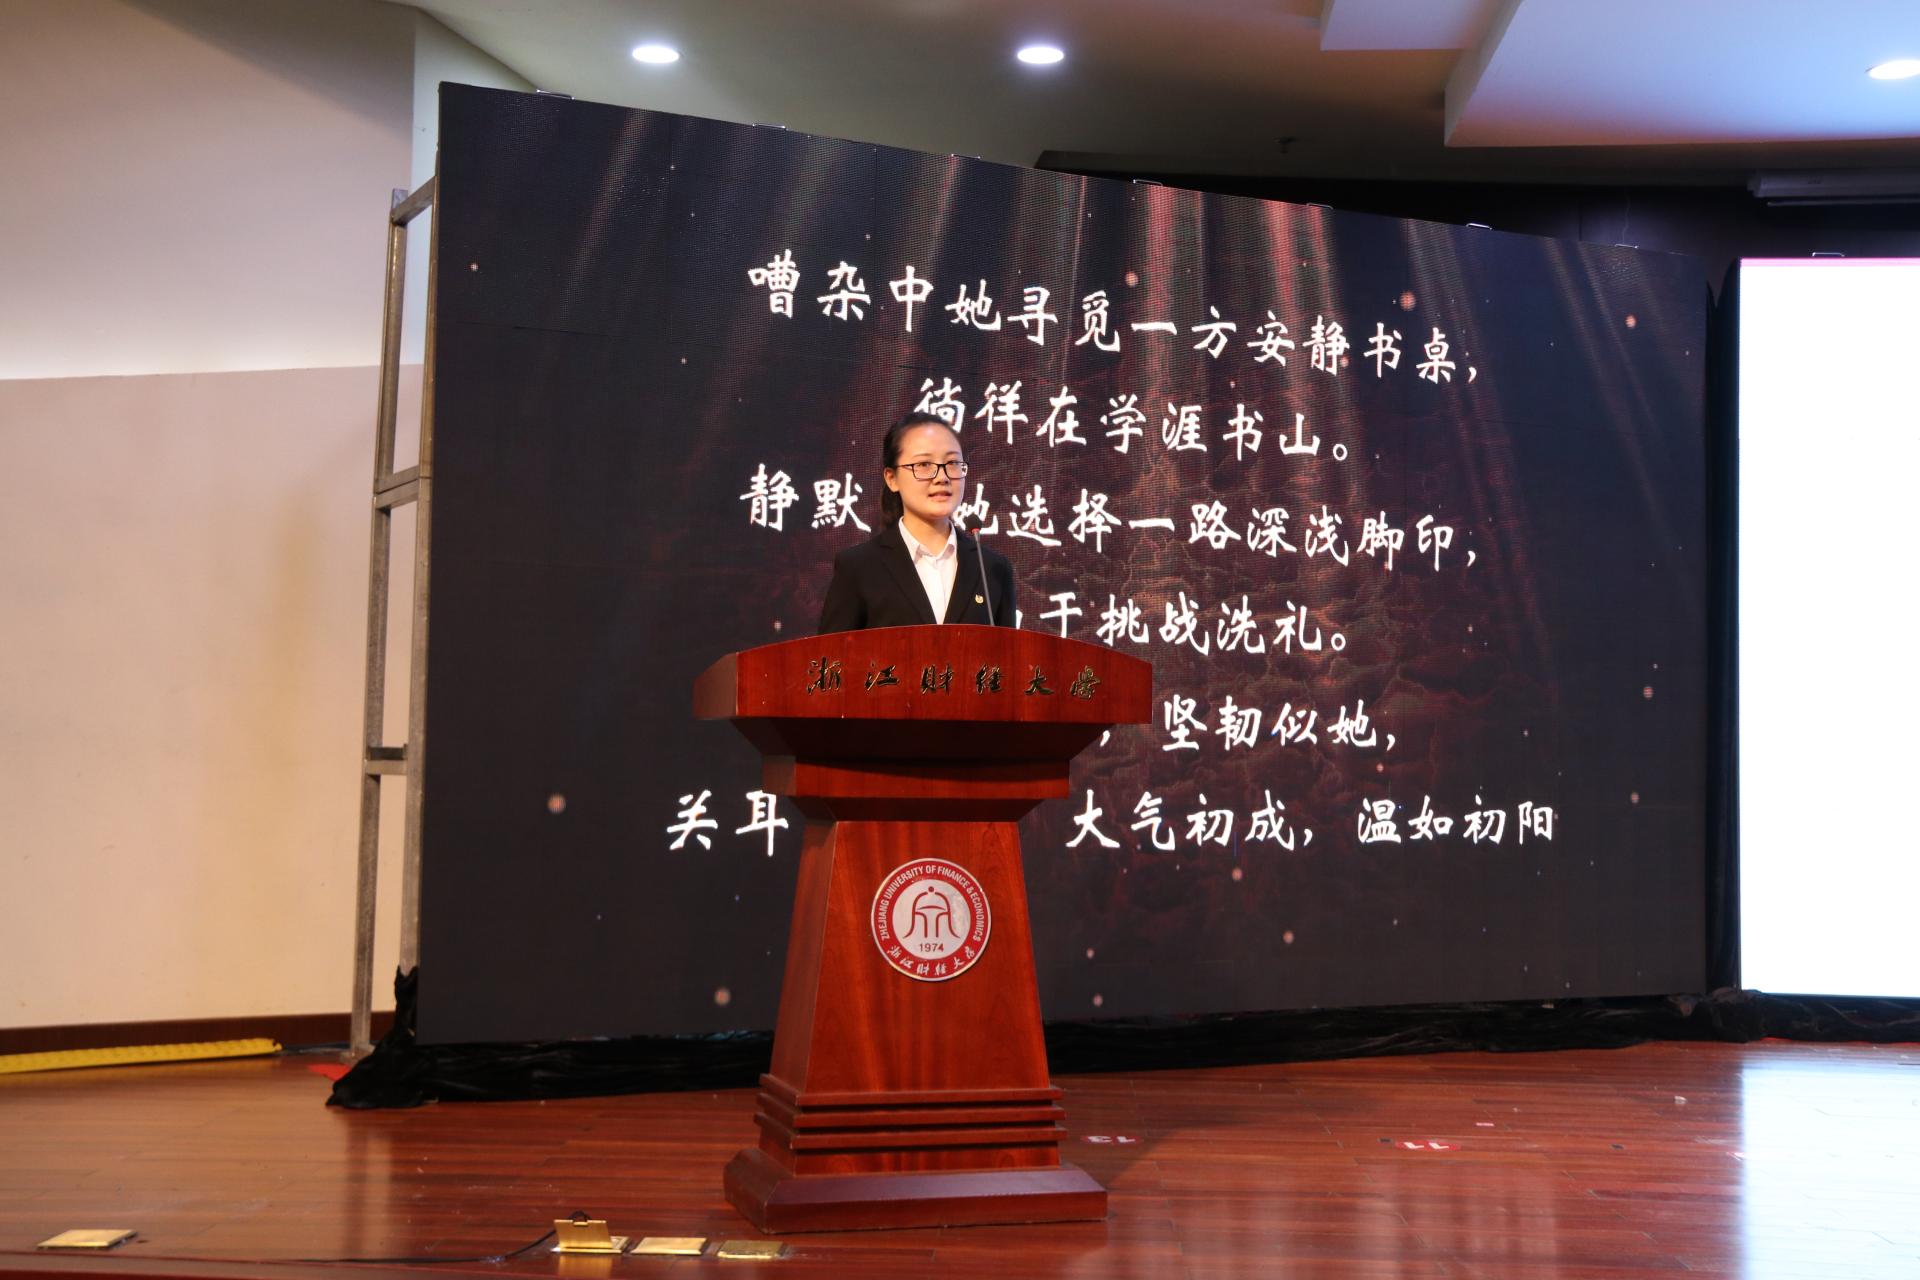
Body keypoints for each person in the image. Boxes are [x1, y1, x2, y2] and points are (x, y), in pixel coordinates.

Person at [817, 411, 1017, 633]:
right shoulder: (858, 567)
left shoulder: (992, 568)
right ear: (892, 479)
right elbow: (831, 653)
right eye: (923, 464)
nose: (942, 477)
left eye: (952, 463)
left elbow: (1009, 652)